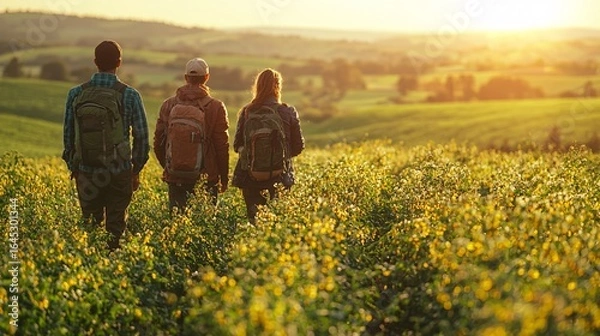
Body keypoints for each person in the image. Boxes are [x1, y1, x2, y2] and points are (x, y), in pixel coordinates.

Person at [62, 40, 150, 250]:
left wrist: (74, 166)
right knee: (115, 229)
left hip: (86, 171)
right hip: (118, 171)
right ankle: (113, 270)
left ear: (95, 62)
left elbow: (68, 135)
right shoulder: (130, 94)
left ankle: (89, 272)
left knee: (90, 229)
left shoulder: (76, 94)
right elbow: (142, 138)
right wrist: (134, 169)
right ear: (119, 62)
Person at [154, 58, 229, 212]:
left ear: (186, 77)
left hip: (176, 177)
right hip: (207, 177)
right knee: (205, 228)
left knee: (178, 224)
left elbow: (158, 143)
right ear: (207, 77)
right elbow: (222, 146)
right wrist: (224, 177)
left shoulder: (168, 105)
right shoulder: (216, 107)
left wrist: (170, 166)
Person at [232, 68, 305, 223]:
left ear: (257, 86)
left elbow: (237, 144)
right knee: (278, 225)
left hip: (250, 178)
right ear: (278, 86)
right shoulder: (288, 111)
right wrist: (277, 156)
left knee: (254, 222)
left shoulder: (247, 111)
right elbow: (298, 147)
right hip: (280, 178)